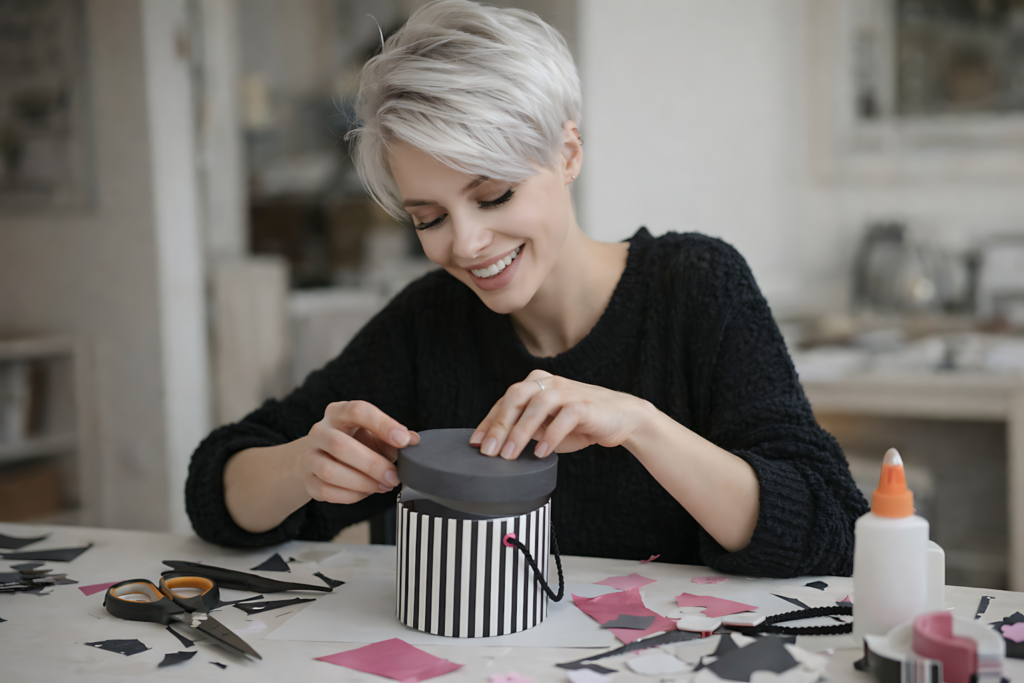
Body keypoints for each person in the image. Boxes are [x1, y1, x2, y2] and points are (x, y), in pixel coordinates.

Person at [186, 0, 868, 577]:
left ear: (568, 153)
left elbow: (834, 528)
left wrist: (640, 425)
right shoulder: (429, 322)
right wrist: (300, 469)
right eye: (428, 217)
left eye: (493, 195)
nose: (465, 242)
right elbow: (216, 491)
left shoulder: (696, 288)